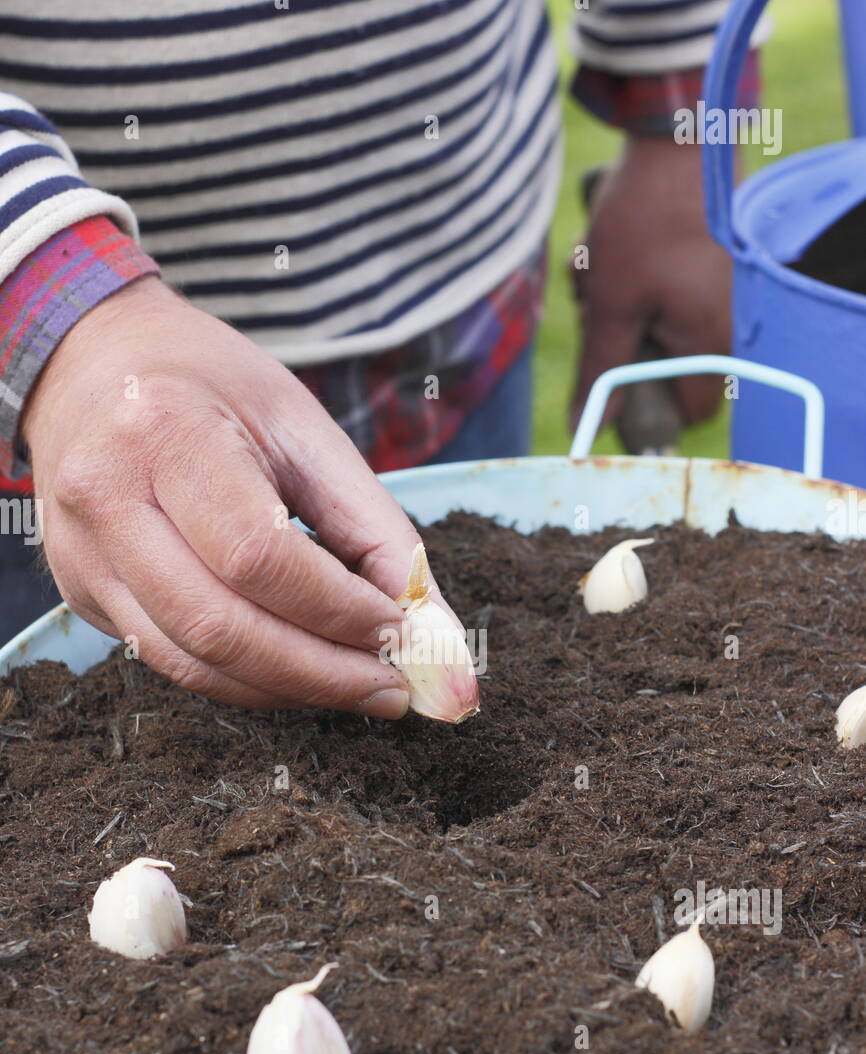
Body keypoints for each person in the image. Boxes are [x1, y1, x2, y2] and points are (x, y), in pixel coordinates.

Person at [0, 1, 761, 700]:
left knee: (442, 580)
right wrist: (57, 310)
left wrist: (684, 119)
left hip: (455, 326)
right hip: (69, 431)